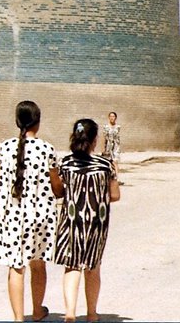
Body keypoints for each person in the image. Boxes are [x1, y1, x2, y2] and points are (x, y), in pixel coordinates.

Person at [0, 100, 64, 322]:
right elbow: (56, 187)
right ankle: (36, 311)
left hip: (13, 215)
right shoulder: (47, 149)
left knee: (16, 266)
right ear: (38, 121)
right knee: (38, 264)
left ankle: (18, 318)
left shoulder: (4, 148)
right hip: (41, 216)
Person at [54, 118, 121, 322]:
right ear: (94, 140)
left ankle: (70, 312)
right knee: (92, 267)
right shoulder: (105, 165)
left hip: (71, 220)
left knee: (72, 267)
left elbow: (58, 192)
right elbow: (115, 196)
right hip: (96, 222)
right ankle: (92, 313)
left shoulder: (65, 163)